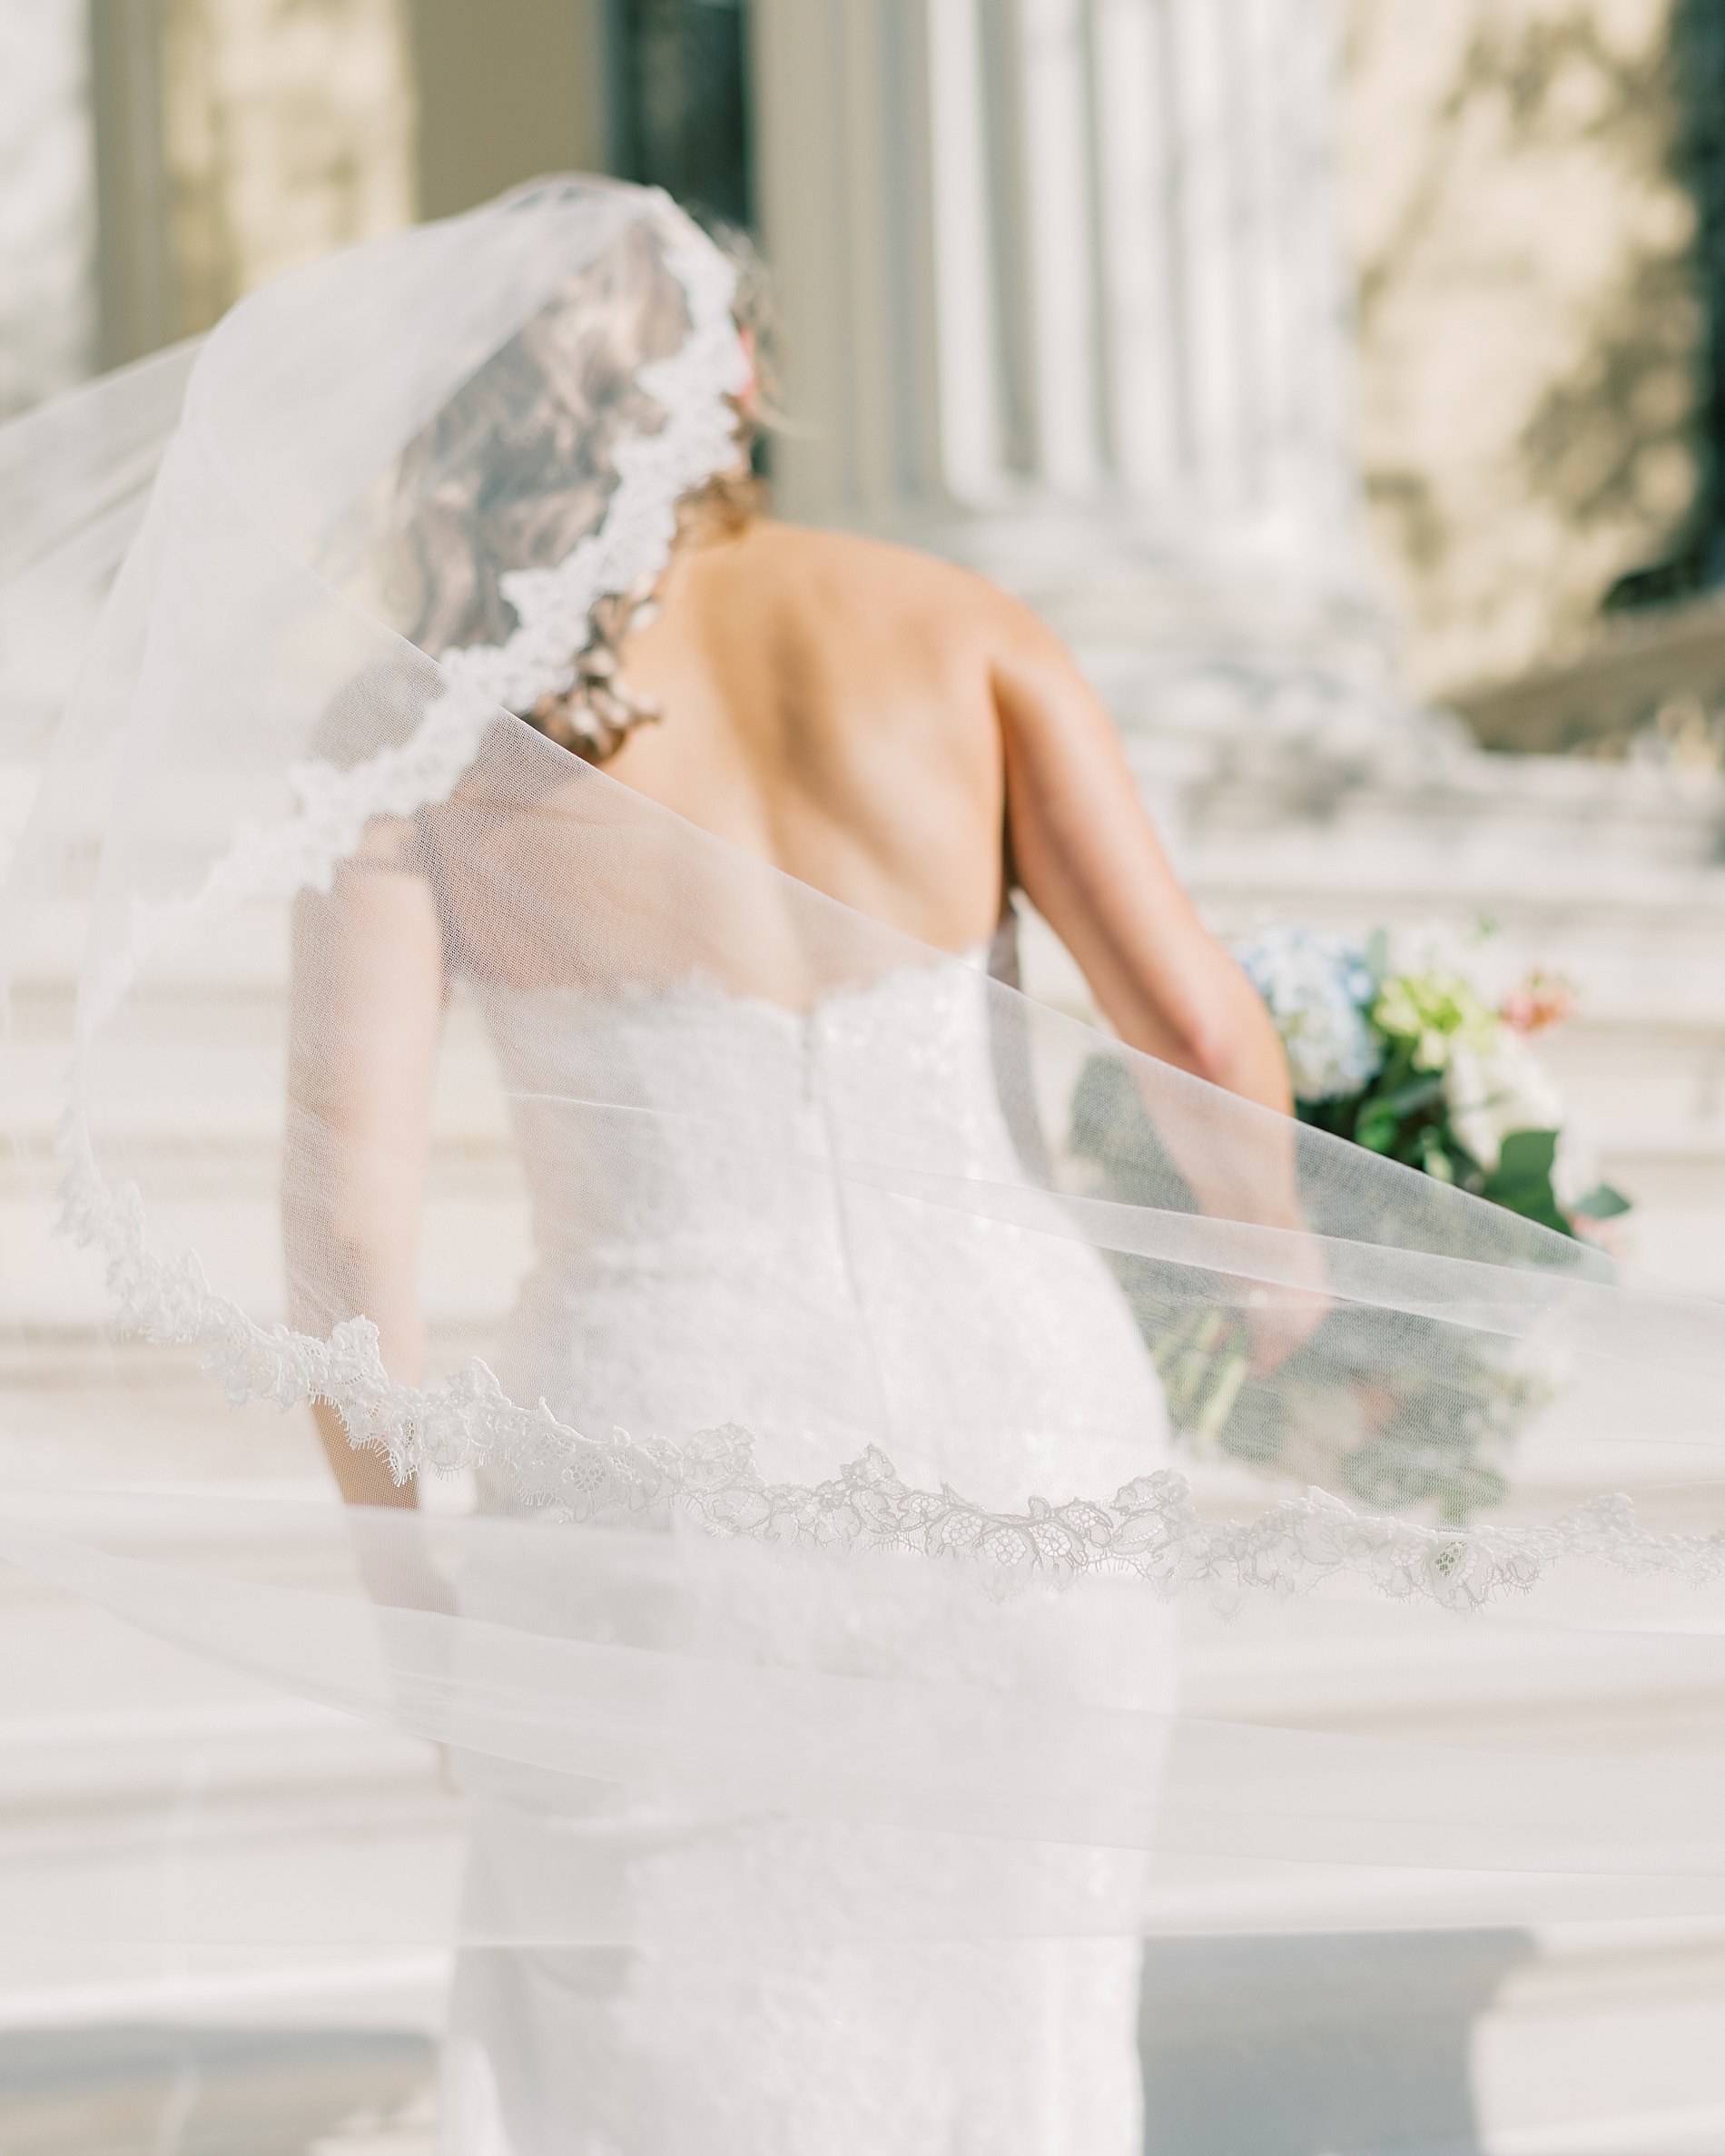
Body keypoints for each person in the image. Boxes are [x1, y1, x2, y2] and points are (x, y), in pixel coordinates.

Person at [279, 188, 1290, 2152]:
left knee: (658, 2056)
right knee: (1019, 2030)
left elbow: (341, 1220)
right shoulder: (956, 625)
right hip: (1028, 1446)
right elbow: (1196, 1033)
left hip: (661, 1474)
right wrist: (1277, 1275)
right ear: (735, 376)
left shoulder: (417, 733)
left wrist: (408, 1595)